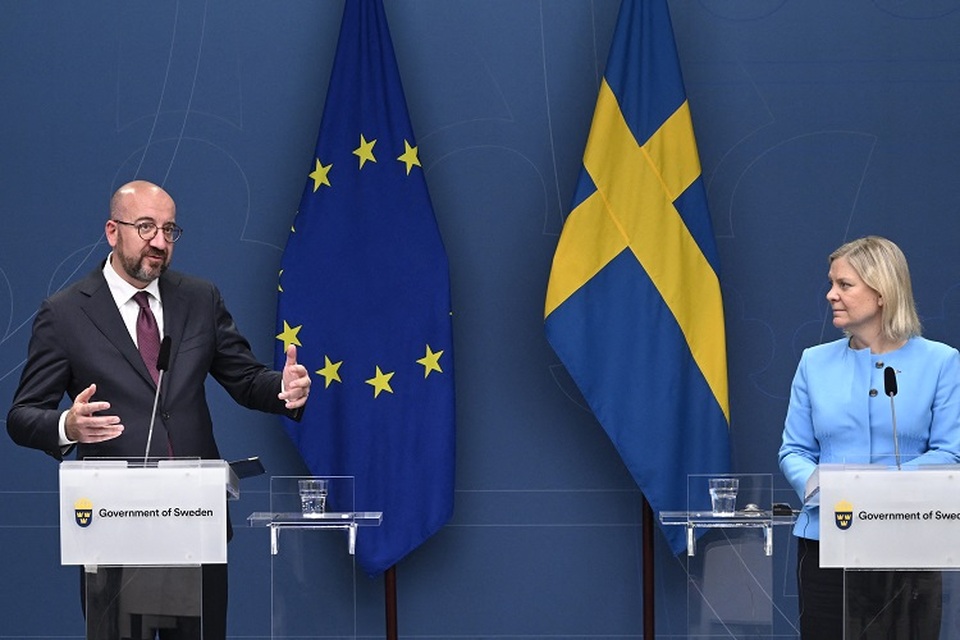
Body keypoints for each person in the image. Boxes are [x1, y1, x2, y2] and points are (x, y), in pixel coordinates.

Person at [7, 180, 311, 639]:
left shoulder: (199, 298)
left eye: (169, 230)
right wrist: (67, 425)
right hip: (113, 533)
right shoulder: (66, 313)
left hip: (195, 523)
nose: (159, 241)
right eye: (145, 227)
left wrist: (283, 389)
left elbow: (246, 379)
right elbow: (22, 415)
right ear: (113, 231)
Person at [778, 235, 960, 638]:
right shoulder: (814, 363)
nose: (831, 295)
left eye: (844, 285)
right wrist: (837, 495)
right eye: (831, 283)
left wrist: (872, 492)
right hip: (827, 538)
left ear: (882, 293)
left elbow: (951, 453)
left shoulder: (941, 362)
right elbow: (794, 451)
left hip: (908, 538)